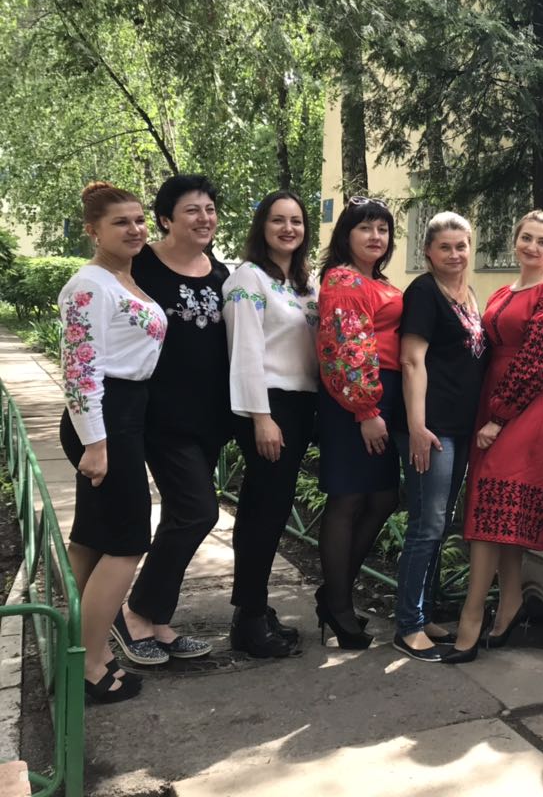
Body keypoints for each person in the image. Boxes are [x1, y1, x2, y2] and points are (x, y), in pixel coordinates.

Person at [442, 211, 543, 664]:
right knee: (500, 514)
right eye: (526, 238)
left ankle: (471, 617)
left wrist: (499, 416)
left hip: (524, 408)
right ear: (515, 240)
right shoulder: (502, 292)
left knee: (488, 512)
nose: (532, 247)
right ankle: (510, 603)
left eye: (542, 241)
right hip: (491, 403)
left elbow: (538, 360)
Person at [112, 174, 228, 666]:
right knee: (198, 511)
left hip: (210, 419)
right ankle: (134, 613)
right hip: (159, 417)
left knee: (184, 514)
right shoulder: (140, 266)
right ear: (165, 219)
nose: (204, 218)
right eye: (191, 210)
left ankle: (155, 618)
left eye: (210, 209)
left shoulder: (220, 273)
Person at [59, 182, 168, 703]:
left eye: (139, 219)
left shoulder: (123, 277)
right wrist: (96, 443)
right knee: (126, 543)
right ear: (93, 230)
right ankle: (90, 666)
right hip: (105, 421)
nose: (135, 229)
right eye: (121, 222)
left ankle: (77, 652)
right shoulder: (89, 285)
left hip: (122, 416)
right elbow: (81, 370)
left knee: (92, 540)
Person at [223, 191, 319, 658]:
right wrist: (261, 417)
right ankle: (249, 620)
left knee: (273, 508)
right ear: (262, 226)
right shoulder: (249, 278)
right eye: (278, 220)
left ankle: (256, 608)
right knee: (263, 510)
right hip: (268, 406)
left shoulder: (303, 283)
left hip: (300, 405)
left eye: (296, 221)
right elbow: (244, 350)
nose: (288, 228)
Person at [392, 212, 488, 662]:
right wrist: (417, 426)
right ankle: (408, 626)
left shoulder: (468, 294)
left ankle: (423, 612)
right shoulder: (424, 292)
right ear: (428, 252)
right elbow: (412, 361)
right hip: (431, 429)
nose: (454, 254)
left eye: (461, 245)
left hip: (460, 427)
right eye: (445, 247)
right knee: (426, 525)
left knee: (439, 523)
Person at [314, 196, 403, 650]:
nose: (375, 236)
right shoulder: (344, 280)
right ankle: (339, 606)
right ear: (346, 234)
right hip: (355, 401)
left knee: (383, 496)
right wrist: (366, 410)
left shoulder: (377, 281)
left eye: (383, 229)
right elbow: (344, 348)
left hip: (380, 399)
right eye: (365, 228)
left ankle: (334, 596)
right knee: (348, 499)